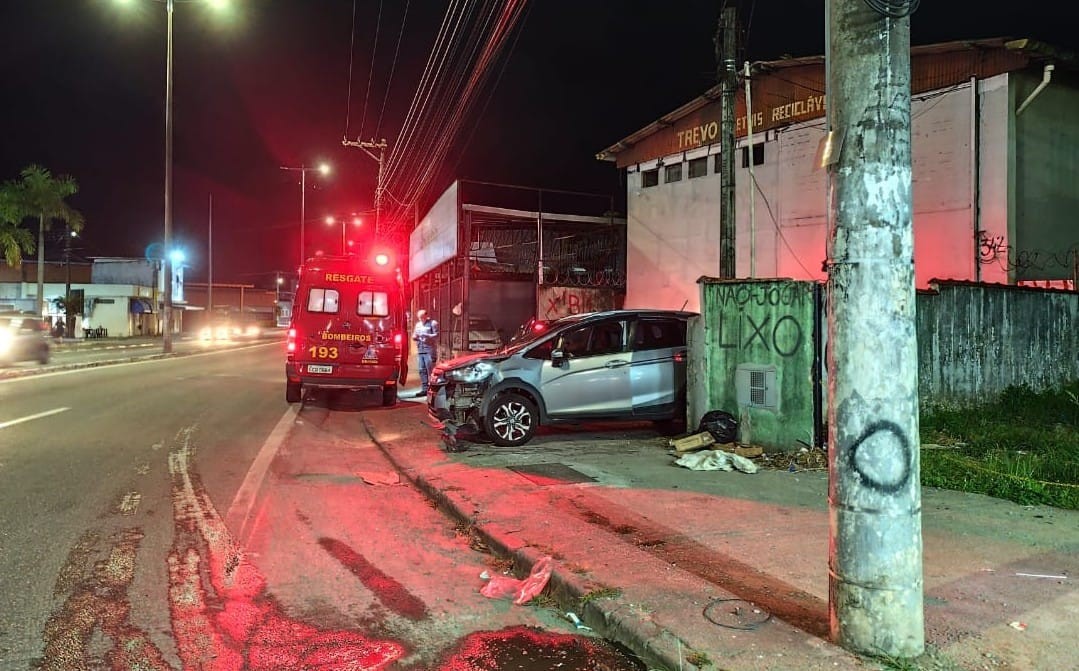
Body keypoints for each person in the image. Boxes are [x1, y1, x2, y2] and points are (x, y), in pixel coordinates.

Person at [412, 309, 439, 396]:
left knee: (430, 370)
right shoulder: (418, 325)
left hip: (429, 350)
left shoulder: (433, 323)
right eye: (419, 318)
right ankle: (424, 389)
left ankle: (433, 388)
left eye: (422, 317)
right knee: (421, 370)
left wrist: (427, 336)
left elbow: (437, 335)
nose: (421, 319)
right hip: (420, 350)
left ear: (426, 316)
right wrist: (415, 337)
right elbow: (414, 335)